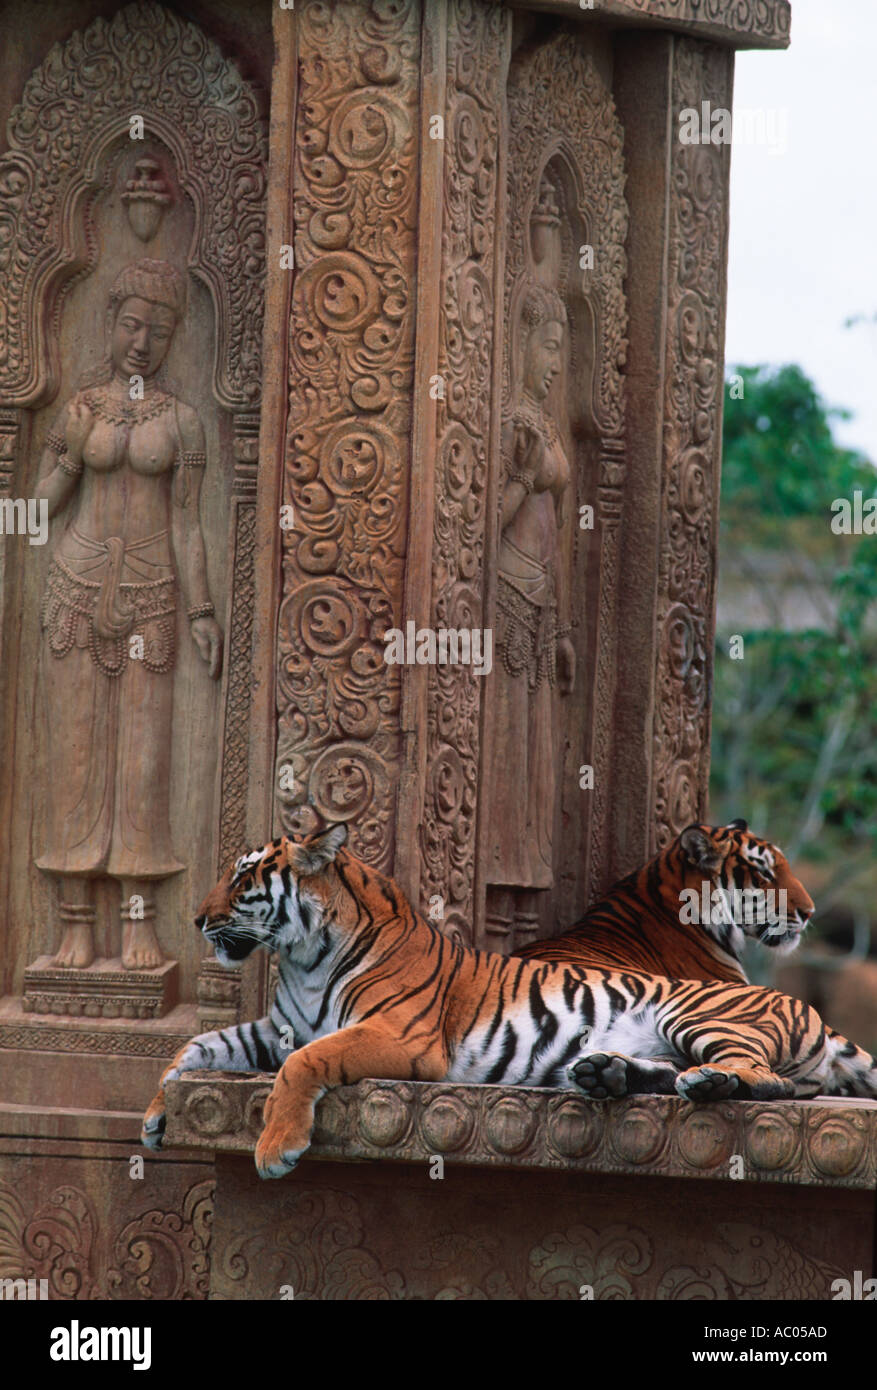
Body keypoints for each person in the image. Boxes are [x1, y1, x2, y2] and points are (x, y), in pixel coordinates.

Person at [36, 259, 222, 970]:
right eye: (130, 324)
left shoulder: (181, 420)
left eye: (159, 329)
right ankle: (74, 926)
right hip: (76, 591)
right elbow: (49, 492)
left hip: (153, 597)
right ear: (111, 326)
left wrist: (202, 610)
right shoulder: (81, 409)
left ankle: (141, 923)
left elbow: (187, 523)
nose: (142, 341)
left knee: (143, 764)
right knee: (74, 759)